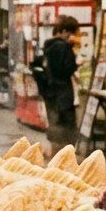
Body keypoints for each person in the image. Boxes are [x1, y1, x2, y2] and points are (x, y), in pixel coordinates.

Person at [41, 16, 81, 147]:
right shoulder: (64, 47)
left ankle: (55, 156)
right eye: (72, 33)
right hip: (63, 94)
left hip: (51, 93)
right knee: (66, 131)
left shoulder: (50, 46)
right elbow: (65, 70)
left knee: (55, 126)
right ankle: (64, 158)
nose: (72, 36)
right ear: (65, 31)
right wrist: (77, 64)